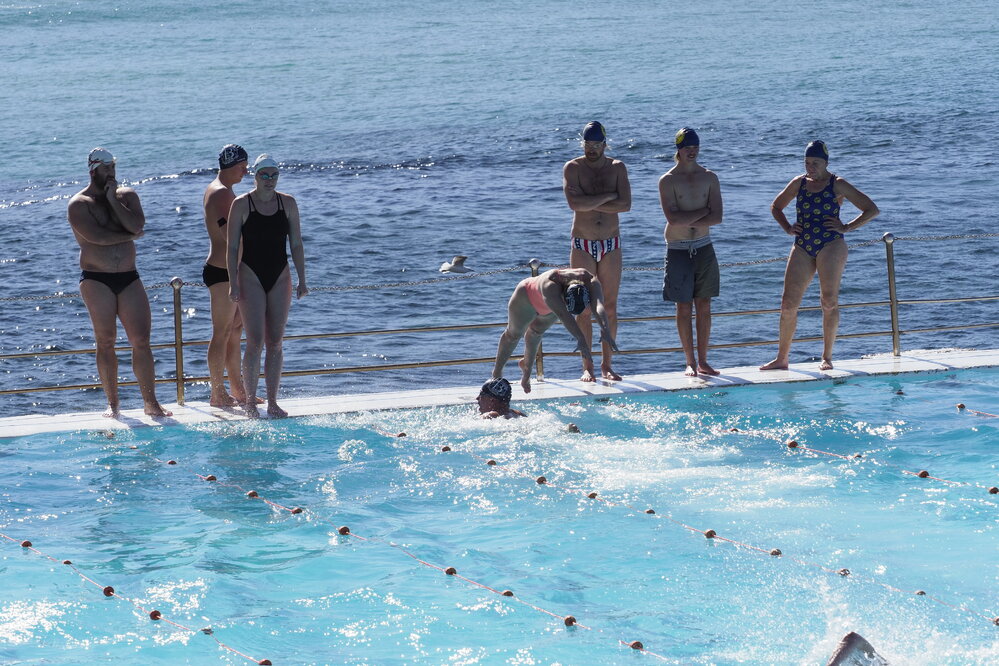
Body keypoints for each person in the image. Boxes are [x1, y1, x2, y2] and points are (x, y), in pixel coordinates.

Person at [67, 148, 172, 418]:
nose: (111, 173)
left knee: (142, 340)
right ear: (93, 171)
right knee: (106, 340)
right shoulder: (79, 204)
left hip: (128, 276)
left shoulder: (127, 196)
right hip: (96, 279)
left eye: (113, 167)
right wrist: (130, 237)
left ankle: (151, 402)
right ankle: (113, 404)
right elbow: (97, 238)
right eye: (106, 168)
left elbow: (136, 225)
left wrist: (114, 201)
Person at [760, 140, 879, 371]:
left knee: (829, 301)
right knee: (788, 303)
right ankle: (782, 358)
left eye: (815, 162)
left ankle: (827, 357)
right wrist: (787, 227)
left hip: (831, 244)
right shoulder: (799, 183)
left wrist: (847, 227)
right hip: (802, 244)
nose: (810, 167)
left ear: (826, 162)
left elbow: (871, 209)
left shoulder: (837, 184)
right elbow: (776, 207)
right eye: (807, 162)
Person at [227, 154, 308, 418]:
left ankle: (272, 402)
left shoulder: (288, 203)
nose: (270, 180)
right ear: (255, 176)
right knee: (255, 341)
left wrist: (302, 279)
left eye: (274, 175)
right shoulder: (242, 204)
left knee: (275, 341)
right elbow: (232, 247)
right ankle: (250, 402)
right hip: (250, 274)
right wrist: (233, 283)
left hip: (280, 274)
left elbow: (296, 243)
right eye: (265, 175)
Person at [563, 121, 631, 382]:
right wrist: (608, 196)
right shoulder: (573, 168)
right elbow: (575, 205)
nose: (591, 149)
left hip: (610, 244)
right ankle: (587, 366)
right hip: (583, 243)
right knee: (583, 307)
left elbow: (625, 205)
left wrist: (589, 201)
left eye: (596, 145)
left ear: (605, 144)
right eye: (587, 144)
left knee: (610, 306)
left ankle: (607, 365)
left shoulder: (617, 168)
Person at [658, 127, 723, 377]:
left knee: (704, 305)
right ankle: (689, 361)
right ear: (679, 149)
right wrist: (703, 212)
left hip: (704, 246)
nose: (692, 151)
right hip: (678, 248)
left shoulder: (710, 177)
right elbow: (673, 219)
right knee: (683, 306)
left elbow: (717, 217)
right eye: (687, 147)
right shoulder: (668, 180)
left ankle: (703, 360)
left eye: (695, 147)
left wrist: (692, 217)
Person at [491, 268, 618, 394]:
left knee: (536, 333)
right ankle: (496, 373)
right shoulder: (550, 285)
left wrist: (605, 329)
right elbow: (564, 315)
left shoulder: (591, 281)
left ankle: (527, 368)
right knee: (513, 335)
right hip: (527, 297)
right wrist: (580, 339)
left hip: (550, 306)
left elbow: (598, 305)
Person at [202, 144, 251, 407]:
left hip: (232, 271)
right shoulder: (221, 192)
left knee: (234, 332)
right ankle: (217, 392)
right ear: (232, 166)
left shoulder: (225, 190)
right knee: (221, 332)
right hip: (223, 272)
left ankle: (237, 389)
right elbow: (228, 236)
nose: (246, 172)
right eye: (243, 167)